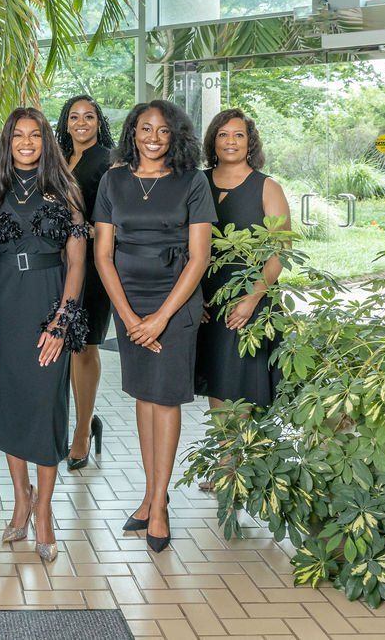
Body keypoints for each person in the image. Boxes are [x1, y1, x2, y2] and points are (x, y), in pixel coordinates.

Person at [0, 107, 88, 563]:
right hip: (1, 300)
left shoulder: (64, 187)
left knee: (45, 406)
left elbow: (77, 262)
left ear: (46, 141)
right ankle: (21, 498)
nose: (27, 142)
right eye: (19, 135)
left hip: (46, 299)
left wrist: (62, 320)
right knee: (11, 404)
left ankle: (47, 511)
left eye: (35, 135)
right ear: (8, 139)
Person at [93, 100, 217, 553]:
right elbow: (103, 254)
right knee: (143, 398)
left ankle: (160, 506)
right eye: (144, 128)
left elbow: (200, 256)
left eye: (163, 131)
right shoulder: (113, 180)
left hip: (176, 305)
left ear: (175, 137)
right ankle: (149, 496)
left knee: (164, 400)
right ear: (132, 133)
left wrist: (162, 317)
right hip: (129, 305)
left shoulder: (193, 181)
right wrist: (127, 317)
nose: (152, 137)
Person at [194, 109, 289, 489]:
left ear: (251, 143)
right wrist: (193, 296)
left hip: (250, 297)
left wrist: (252, 299)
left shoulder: (267, 187)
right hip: (205, 299)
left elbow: (280, 251)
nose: (230, 142)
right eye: (223, 135)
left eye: (238, 135)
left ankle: (240, 468)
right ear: (212, 142)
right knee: (217, 382)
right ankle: (226, 463)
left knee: (243, 384)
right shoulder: (196, 183)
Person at [56, 95, 116, 470]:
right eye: (74, 117)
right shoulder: (60, 159)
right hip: (58, 262)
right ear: (65, 123)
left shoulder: (110, 160)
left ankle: (82, 430)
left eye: (89, 116)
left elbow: (119, 211)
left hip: (94, 263)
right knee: (65, 346)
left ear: (99, 122)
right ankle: (82, 420)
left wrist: (95, 231)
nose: (81, 122)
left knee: (84, 345)